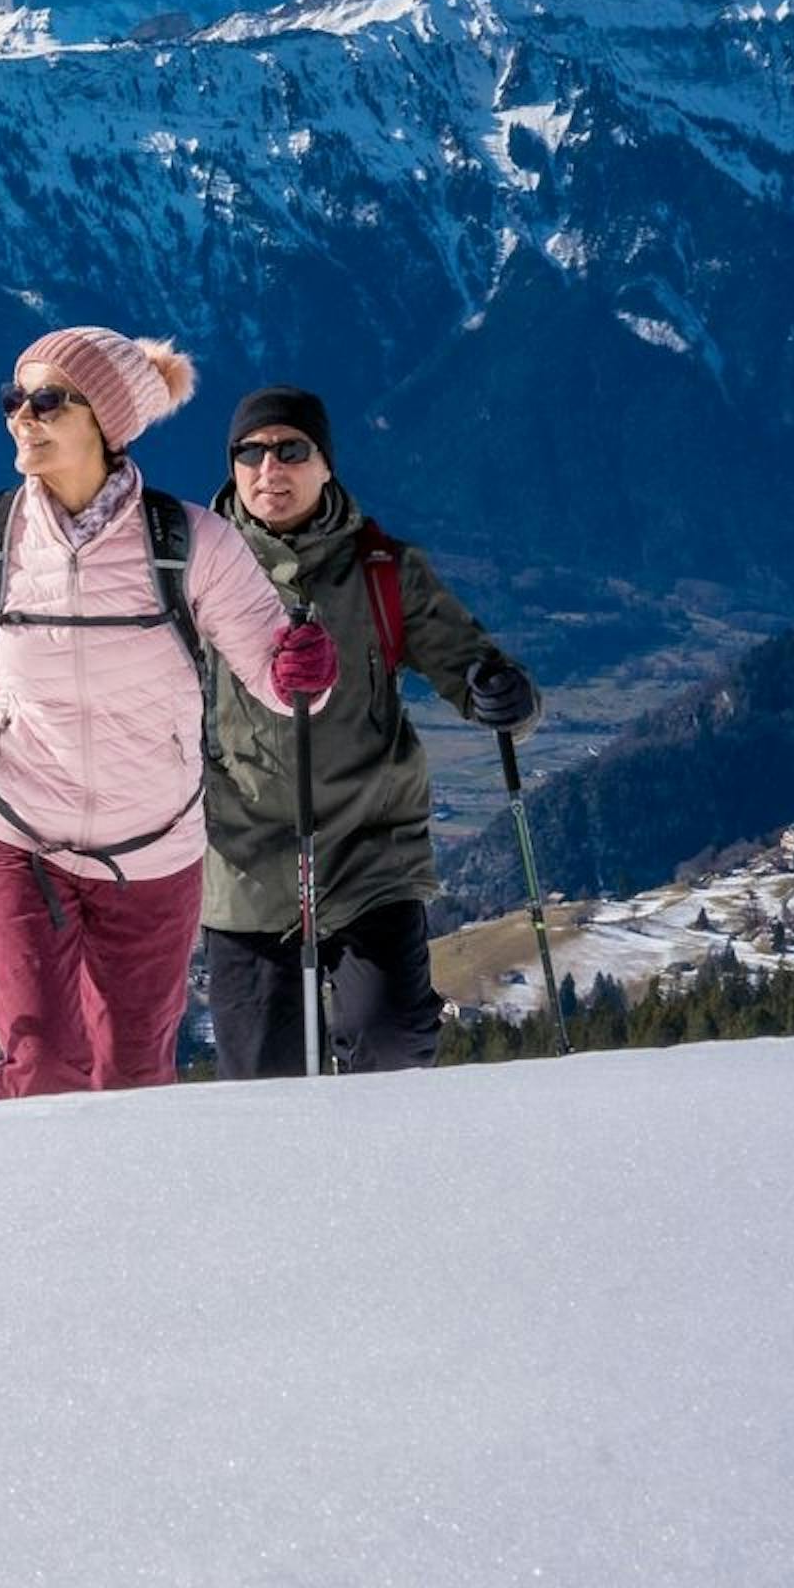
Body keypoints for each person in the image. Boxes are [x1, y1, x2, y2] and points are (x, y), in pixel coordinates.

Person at [0, 328, 335, 1097]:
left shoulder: (191, 541)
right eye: (13, 398)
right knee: (42, 1064)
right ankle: (31, 1217)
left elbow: (278, 675)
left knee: (134, 1075)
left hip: (155, 846)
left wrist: (303, 670)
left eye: (45, 400)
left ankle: (121, 1219)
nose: (19, 416)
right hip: (13, 829)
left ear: (107, 418)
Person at [197, 384, 540, 1077]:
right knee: (264, 1091)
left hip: (370, 851)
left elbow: (471, 665)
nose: (272, 469)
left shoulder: (385, 570)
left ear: (327, 465)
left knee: (393, 1042)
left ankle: (384, 1180)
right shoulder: (193, 574)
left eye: (292, 450)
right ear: (231, 466)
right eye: (252, 452)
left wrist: (507, 698)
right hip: (242, 864)